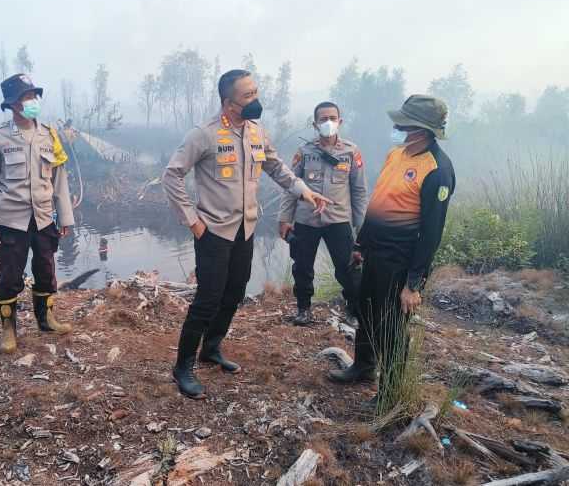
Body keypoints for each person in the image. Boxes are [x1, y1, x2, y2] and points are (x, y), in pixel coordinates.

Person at [162, 69, 331, 399]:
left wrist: (304, 191)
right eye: (248, 96)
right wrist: (193, 221)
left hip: (245, 228)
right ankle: (183, 367)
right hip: (213, 231)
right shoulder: (204, 135)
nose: (256, 100)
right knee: (207, 299)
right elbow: (172, 176)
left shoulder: (255, 132)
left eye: (256, 92)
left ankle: (211, 348)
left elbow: (276, 167)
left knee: (235, 291)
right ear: (229, 103)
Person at [328, 95, 455, 408]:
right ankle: (363, 367)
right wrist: (360, 244)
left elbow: (432, 233)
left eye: (405, 121)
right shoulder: (396, 155)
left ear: (420, 129)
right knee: (366, 310)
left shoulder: (437, 170)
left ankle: (391, 395)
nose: (397, 124)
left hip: (400, 260)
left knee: (391, 328)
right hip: (374, 253)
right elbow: (379, 203)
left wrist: (414, 283)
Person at [0, 73, 75, 355]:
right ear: (12, 104)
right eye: (25, 97)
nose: (32, 101)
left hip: (44, 216)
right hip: (10, 220)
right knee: (10, 276)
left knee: (46, 269)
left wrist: (65, 216)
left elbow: (59, 178)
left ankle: (46, 319)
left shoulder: (49, 134)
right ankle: (8, 329)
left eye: (34, 96)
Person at [278, 101, 368, 326]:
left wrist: (362, 228)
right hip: (306, 219)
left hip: (338, 219)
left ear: (340, 121)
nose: (328, 123)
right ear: (315, 124)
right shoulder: (304, 152)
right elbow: (291, 186)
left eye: (332, 118)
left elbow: (359, 191)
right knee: (302, 266)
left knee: (348, 267)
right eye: (323, 119)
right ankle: (303, 310)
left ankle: (353, 310)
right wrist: (284, 219)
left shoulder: (351, 152)